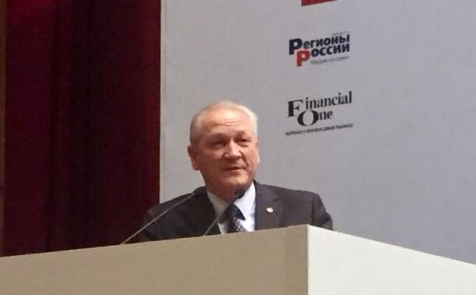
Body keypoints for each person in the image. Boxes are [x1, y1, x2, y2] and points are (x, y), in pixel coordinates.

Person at [137, 101, 332, 240]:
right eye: (218, 143)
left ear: (257, 149)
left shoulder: (304, 211)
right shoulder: (163, 223)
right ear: (194, 157)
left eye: (242, 141)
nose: (233, 153)